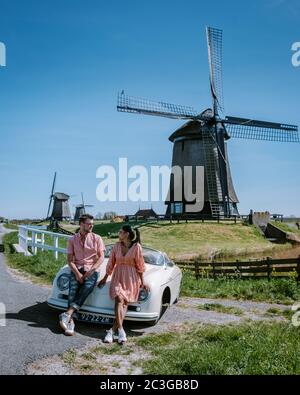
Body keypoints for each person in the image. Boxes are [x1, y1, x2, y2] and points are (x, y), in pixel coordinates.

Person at [98, 225, 149, 344]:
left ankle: (111, 331)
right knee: (119, 299)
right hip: (118, 276)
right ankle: (121, 330)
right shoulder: (116, 246)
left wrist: (143, 281)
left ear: (126, 234)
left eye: (120, 232)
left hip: (131, 277)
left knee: (124, 303)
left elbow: (140, 265)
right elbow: (111, 263)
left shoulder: (137, 247)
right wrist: (105, 278)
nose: (119, 233)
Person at [59, 214, 105, 336]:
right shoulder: (72, 240)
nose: (91, 226)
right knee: (73, 291)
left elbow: (101, 257)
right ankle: (71, 322)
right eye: (89, 223)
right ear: (81, 224)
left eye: (92, 224)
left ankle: (67, 313)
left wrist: (92, 270)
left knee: (87, 287)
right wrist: (78, 274)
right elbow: (69, 260)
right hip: (77, 268)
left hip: (92, 269)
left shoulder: (97, 238)